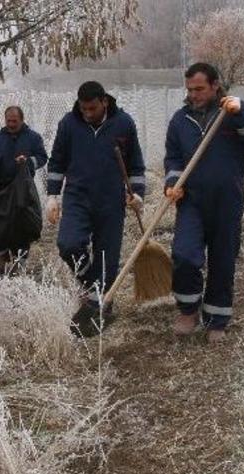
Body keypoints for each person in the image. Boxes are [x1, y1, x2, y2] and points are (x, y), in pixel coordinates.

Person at [163, 62, 244, 344]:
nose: (194, 94)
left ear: (215, 85)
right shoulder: (179, 120)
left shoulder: (233, 112)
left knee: (223, 260)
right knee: (184, 255)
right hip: (192, 202)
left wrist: (242, 114)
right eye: (190, 89)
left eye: (200, 89)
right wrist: (172, 183)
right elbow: (174, 158)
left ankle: (217, 318)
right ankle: (188, 310)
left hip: (227, 201)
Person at [46, 81, 146, 337]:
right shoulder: (69, 124)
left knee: (106, 258)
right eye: (83, 108)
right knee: (68, 245)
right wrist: (53, 196)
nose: (87, 113)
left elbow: (135, 165)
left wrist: (137, 195)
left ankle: (102, 306)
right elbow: (57, 160)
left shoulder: (123, 124)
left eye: (92, 108)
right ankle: (93, 289)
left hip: (111, 200)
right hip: (77, 197)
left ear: (104, 101)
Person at [0, 106, 48, 273]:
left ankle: (20, 260)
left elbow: (42, 157)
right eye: (8, 121)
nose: (11, 124)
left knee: (21, 224)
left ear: (22, 120)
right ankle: (2, 256)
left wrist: (28, 162)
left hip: (23, 190)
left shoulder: (33, 138)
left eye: (15, 121)